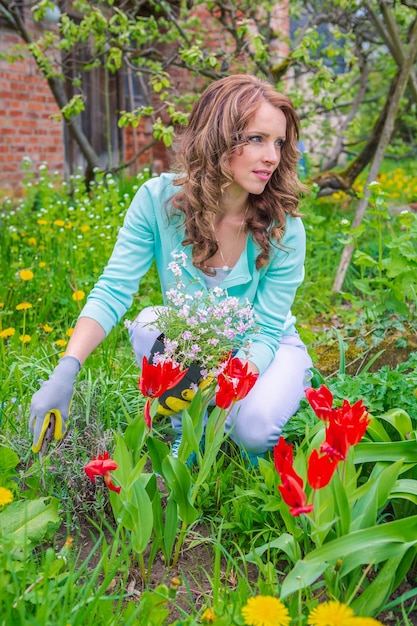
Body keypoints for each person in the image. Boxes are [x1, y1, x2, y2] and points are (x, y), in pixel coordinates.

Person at [29, 74, 313, 463]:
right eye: (256, 139)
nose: (272, 157)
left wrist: (226, 385)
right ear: (218, 137)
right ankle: (188, 431)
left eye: (279, 143)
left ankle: (226, 423)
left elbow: (264, 330)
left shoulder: (284, 227)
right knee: (148, 324)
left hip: (266, 348)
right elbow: (113, 289)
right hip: (196, 342)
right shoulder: (158, 200)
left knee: (253, 431)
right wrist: (66, 370)